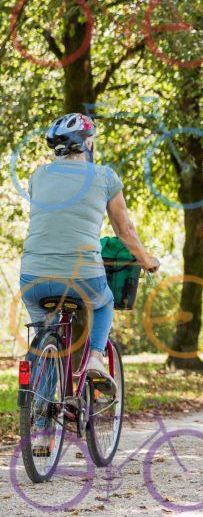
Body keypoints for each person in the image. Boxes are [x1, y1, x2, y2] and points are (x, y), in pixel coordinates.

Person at [20, 113, 159, 452]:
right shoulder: (105, 177)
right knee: (103, 302)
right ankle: (96, 357)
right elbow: (124, 231)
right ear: (88, 142)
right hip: (83, 274)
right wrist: (147, 261)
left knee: (45, 341)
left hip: (33, 276)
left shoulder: (38, 175)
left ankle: (41, 430)